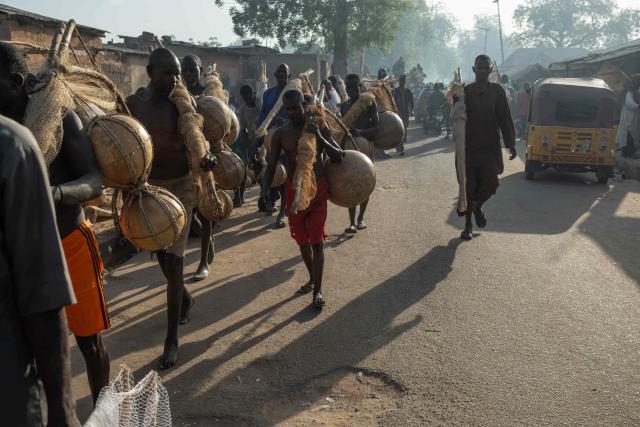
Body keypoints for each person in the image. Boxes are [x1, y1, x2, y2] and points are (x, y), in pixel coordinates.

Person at [0, 41, 110, 404]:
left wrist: (55, 193)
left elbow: (95, 179)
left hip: (70, 242)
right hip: (23, 257)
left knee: (90, 345)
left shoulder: (60, 116)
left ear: (15, 82)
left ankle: (101, 408)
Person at [127, 48, 216, 369]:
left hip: (181, 187)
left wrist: (205, 158)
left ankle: (171, 341)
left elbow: (198, 139)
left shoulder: (183, 105)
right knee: (161, 255)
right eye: (168, 73)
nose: (176, 79)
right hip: (149, 189)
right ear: (150, 73)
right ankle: (185, 298)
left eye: (178, 73)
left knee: (175, 263)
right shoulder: (133, 105)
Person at [1, 116, 80, 426]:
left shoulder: (16, 144)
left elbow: (43, 294)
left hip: (69, 242)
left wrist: (57, 192)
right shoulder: (14, 144)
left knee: (89, 338)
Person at [261, 90, 344, 308]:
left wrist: (321, 136)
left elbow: (338, 155)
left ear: (303, 105)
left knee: (317, 242)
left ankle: (317, 290)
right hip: (293, 192)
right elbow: (270, 167)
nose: (291, 112)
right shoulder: (281, 134)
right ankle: (312, 277)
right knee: (302, 241)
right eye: (287, 109)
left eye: (295, 107)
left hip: (318, 190)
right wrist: (263, 192)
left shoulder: (318, 124)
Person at [461, 55, 516, 241]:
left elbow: (505, 119)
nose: (483, 71)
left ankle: (476, 205)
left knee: (491, 184)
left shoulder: (497, 91)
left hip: (489, 148)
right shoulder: (465, 92)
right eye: (479, 68)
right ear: (473, 69)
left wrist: (510, 144)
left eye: (486, 68)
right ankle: (468, 224)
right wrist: (454, 102)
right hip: (469, 147)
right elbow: (456, 118)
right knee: (470, 186)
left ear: (490, 71)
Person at [181, 54, 214, 281]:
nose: (190, 74)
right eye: (186, 70)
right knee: (189, 213)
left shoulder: (209, 94)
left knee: (205, 208)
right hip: (182, 157)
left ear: (200, 71)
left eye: (193, 70)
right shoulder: (177, 94)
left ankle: (203, 262)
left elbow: (219, 125)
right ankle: (208, 239)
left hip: (205, 154)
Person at [340, 74, 379, 233]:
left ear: (359, 86)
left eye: (353, 87)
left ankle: (361, 218)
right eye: (348, 87)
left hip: (366, 148)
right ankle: (351, 222)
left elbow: (377, 127)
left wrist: (361, 132)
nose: (350, 90)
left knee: (365, 181)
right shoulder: (344, 106)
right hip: (349, 150)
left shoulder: (369, 102)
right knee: (350, 183)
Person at [257, 63, 290, 227]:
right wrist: (258, 139)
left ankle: (283, 213)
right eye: (279, 72)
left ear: (289, 76)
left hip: (288, 140)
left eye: (285, 72)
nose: (282, 75)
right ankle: (270, 200)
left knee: (286, 175)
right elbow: (263, 115)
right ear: (275, 75)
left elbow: (300, 113)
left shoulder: (293, 93)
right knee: (270, 170)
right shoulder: (268, 94)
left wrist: (285, 121)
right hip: (270, 139)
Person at [232, 84, 260, 206]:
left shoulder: (260, 105)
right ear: (242, 97)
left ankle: (266, 197)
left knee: (263, 169)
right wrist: (250, 146)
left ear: (254, 93)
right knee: (243, 169)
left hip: (265, 139)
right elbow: (243, 130)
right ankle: (239, 196)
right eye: (245, 95)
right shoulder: (242, 111)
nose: (248, 97)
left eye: (250, 94)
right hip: (251, 141)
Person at [615, 75, 640, 158]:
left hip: (632, 116)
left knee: (630, 134)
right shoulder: (629, 92)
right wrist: (637, 106)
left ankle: (626, 153)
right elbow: (629, 104)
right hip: (629, 117)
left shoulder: (634, 92)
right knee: (629, 134)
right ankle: (629, 153)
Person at [392, 74, 414, 154]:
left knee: (404, 128)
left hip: (406, 113)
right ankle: (400, 147)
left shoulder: (408, 91)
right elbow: (392, 102)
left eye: (403, 81)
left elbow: (411, 102)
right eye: (400, 81)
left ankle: (400, 145)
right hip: (398, 112)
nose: (402, 83)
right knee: (399, 129)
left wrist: (411, 110)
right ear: (399, 82)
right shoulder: (395, 91)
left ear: (404, 82)